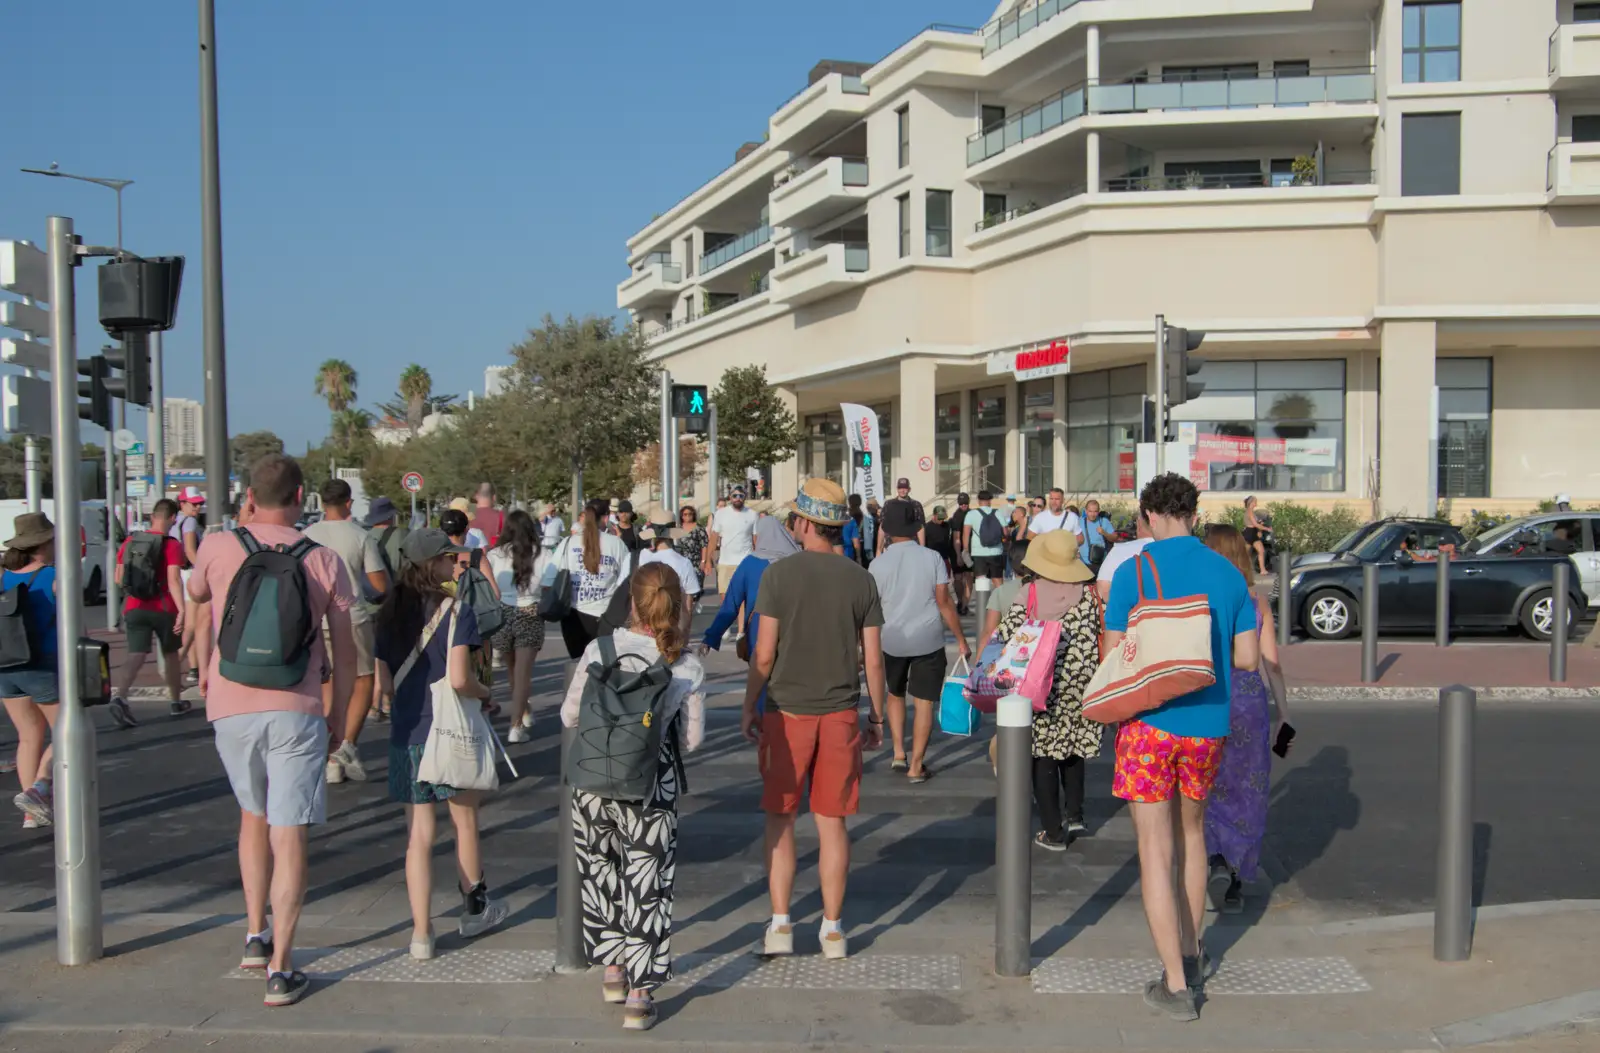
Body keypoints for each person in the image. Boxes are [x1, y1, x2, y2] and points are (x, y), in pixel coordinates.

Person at [189, 454, 357, 1008]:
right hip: (298, 705)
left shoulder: (217, 546)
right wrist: (338, 713)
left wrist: (239, 523)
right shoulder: (323, 560)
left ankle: (253, 936)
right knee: (291, 834)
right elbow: (345, 648)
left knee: (252, 818)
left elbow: (196, 596)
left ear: (250, 496)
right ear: (301, 495)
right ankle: (283, 969)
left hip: (231, 704)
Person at [1104, 473, 1259, 1022]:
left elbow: (1115, 654)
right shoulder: (1228, 574)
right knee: (1193, 835)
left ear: (1147, 515)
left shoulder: (1131, 572)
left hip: (1148, 725)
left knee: (1154, 848)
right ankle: (1192, 956)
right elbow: (1246, 660)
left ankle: (1175, 985)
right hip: (1207, 726)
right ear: (1194, 512)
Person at [743, 479, 886, 959]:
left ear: (804, 523)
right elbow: (873, 660)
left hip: (786, 715)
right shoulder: (860, 579)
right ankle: (832, 931)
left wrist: (749, 705)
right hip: (841, 714)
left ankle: (781, 925)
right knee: (832, 823)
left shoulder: (778, 577)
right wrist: (878, 716)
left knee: (781, 820)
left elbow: (764, 654)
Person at [563, 563, 705, 1031]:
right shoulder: (683, 663)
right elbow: (692, 740)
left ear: (632, 602)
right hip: (649, 785)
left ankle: (612, 970)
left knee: (601, 869)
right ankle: (640, 997)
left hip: (593, 780)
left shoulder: (597, 650)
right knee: (647, 882)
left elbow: (568, 716)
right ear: (677, 605)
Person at [375, 527, 508, 965]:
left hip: (407, 732)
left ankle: (420, 933)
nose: (457, 564)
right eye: (449, 558)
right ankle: (474, 909)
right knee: (464, 822)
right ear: (431, 564)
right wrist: (485, 694)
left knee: (418, 835)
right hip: (448, 731)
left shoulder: (388, 613)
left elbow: (382, 685)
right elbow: (458, 678)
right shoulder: (457, 612)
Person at [994, 530, 1103, 848]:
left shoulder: (1029, 592)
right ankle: (1076, 816)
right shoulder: (1089, 593)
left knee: (1042, 755)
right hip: (1082, 684)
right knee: (1073, 748)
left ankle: (1054, 831)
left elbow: (1007, 634)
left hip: (1041, 685)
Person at [1201, 525, 1289, 915]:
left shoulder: (1200, 598)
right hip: (1248, 702)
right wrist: (1285, 714)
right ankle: (1235, 875)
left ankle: (1212, 858)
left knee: (1206, 783)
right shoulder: (1256, 603)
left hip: (1207, 697)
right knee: (1246, 788)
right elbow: (1272, 663)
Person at [871, 500, 968, 783]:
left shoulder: (877, 564)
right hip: (927, 638)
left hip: (892, 639)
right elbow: (944, 602)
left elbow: (872, 607)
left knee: (895, 694)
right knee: (924, 702)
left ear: (887, 530)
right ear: (916, 528)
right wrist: (961, 638)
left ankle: (899, 753)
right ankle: (916, 766)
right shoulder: (932, 558)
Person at [304, 479, 390, 785]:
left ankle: (330, 756)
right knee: (363, 681)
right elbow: (379, 584)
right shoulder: (360, 535)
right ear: (349, 503)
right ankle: (347, 745)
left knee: (327, 687)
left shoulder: (306, 535)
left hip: (315, 620)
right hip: (352, 617)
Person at [704, 516, 799, 716]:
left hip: (759, 630)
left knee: (763, 679)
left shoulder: (750, 564)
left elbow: (731, 604)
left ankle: (765, 726)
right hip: (795, 631)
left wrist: (711, 637)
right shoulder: (798, 560)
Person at [109, 498, 189, 726]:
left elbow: (118, 578)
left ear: (152, 516)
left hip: (135, 607)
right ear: (173, 518)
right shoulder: (172, 544)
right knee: (171, 653)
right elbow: (174, 580)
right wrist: (182, 610)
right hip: (164, 608)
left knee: (136, 654)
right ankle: (175, 701)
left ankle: (120, 696)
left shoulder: (130, 541)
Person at [3, 514, 60, 829]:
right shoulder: (52, 577)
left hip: (6, 667)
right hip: (42, 664)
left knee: (28, 736)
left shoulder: (3, 578)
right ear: (44, 544)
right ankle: (40, 786)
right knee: (67, 730)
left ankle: (31, 813)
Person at [485, 510, 545, 744]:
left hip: (503, 613)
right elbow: (548, 587)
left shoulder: (495, 554)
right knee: (522, 673)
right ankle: (516, 724)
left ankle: (524, 712)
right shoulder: (542, 554)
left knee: (513, 670)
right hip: (530, 611)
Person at [555, 499, 632, 659]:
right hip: (605, 615)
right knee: (603, 667)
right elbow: (627, 577)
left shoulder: (567, 543)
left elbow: (551, 575)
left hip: (573, 616)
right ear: (605, 518)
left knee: (579, 666)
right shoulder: (616, 544)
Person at [707, 487, 759, 624]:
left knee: (742, 599)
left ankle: (741, 632)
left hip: (745, 562)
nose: (738, 498)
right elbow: (713, 538)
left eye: (741, 496)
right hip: (725, 562)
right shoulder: (720, 513)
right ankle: (727, 626)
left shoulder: (753, 514)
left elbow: (755, 540)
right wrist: (707, 560)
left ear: (745, 498)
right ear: (730, 497)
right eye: (735, 495)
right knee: (726, 598)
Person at [638, 524, 700, 633]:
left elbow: (633, 596)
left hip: (645, 625)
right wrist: (684, 637)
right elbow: (687, 607)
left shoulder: (639, 557)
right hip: (672, 626)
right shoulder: (683, 562)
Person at [1097, 511, 1152, 603]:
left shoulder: (1120, 550)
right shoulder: (1178, 549)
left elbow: (1103, 590)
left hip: (1132, 613)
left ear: (1139, 524)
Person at [964, 491, 1009, 590]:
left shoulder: (971, 514)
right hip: (996, 551)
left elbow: (966, 534)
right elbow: (1005, 532)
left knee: (981, 581)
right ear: (990, 500)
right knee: (998, 581)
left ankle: (982, 603)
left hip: (978, 553)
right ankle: (1001, 603)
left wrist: (966, 549)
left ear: (978, 500)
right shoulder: (998, 512)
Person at [875, 478, 925, 556]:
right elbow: (882, 527)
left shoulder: (916, 505)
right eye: (900, 488)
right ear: (897, 489)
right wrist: (878, 550)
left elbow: (921, 527)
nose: (902, 490)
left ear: (909, 489)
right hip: (891, 547)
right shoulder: (889, 504)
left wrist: (922, 549)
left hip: (911, 548)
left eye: (905, 488)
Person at [672, 505, 708, 591]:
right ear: (681, 516)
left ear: (693, 515)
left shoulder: (699, 528)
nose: (687, 516)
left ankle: (694, 603)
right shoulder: (678, 528)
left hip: (696, 561)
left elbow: (704, 545)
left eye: (690, 514)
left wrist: (703, 561)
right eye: (685, 514)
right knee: (684, 586)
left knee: (697, 586)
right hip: (682, 560)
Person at [950, 493, 973, 615]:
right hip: (958, 550)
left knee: (969, 577)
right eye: (961, 504)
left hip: (970, 550)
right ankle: (960, 601)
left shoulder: (973, 514)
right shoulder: (957, 517)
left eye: (965, 503)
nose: (963, 505)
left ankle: (965, 604)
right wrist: (959, 555)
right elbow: (956, 538)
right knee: (958, 578)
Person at [1082, 500, 1116, 571]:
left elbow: (1115, 538)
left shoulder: (1104, 521)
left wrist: (1104, 533)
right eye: (1090, 511)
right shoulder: (1079, 522)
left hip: (1099, 563)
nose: (1093, 514)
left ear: (1098, 511)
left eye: (1095, 511)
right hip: (1082, 563)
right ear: (1086, 511)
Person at [1242, 496, 1271, 577]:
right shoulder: (1249, 511)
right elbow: (1255, 524)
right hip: (1248, 533)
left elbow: (1256, 524)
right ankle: (1241, 570)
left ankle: (1262, 570)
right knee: (1245, 553)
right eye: (1255, 501)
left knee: (1261, 551)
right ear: (1251, 503)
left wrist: (1260, 528)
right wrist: (1266, 528)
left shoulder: (1252, 512)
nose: (1256, 503)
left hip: (1253, 533)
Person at [471, 482, 506, 549]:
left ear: (476, 496)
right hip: (494, 557)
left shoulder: (467, 516)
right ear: (494, 497)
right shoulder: (502, 517)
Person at [923, 505, 956, 575]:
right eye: (939, 518)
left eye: (943, 518)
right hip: (932, 559)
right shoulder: (927, 527)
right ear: (934, 515)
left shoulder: (947, 526)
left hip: (944, 558)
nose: (941, 520)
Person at [539, 503, 567, 576]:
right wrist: (547, 511)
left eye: (554, 510)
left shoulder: (559, 520)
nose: (553, 512)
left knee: (555, 562)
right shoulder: (545, 518)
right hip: (545, 545)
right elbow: (540, 519)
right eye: (552, 511)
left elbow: (562, 531)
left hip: (555, 545)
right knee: (544, 562)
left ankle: (553, 575)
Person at [1005, 505, 1032, 579]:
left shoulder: (1026, 526)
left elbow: (1018, 541)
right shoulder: (1016, 526)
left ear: (1021, 514)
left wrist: (1023, 525)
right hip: (1012, 555)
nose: (1013, 514)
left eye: (1015, 512)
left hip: (1018, 557)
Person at [842, 495, 868, 568]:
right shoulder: (853, 519)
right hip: (851, 552)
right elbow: (856, 542)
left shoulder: (835, 520)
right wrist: (858, 557)